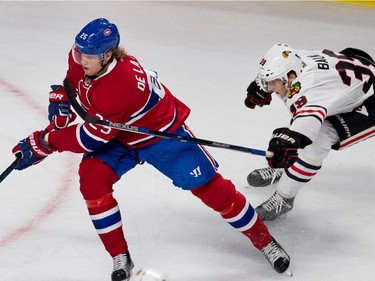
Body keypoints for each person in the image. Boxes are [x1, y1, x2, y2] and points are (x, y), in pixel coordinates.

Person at [11, 19, 291, 280]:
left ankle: (265, 241)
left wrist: (46, 142)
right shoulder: (82, 58)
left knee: (211, 188)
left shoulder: (121, 85)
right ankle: (120, 255)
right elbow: (76, 84)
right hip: (120, 135)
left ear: (108, 55)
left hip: (161, 135)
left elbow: (90, 138)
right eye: (79, 51)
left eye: (89, 55)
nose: (80, 58)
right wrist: (63, 96)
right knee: (92, 180)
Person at [244, 43, 375, 221]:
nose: (269, 87)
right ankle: (291, 167)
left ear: (290, 77)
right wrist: (262, 86)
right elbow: (280, 63)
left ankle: (284, 197)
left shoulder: (309, 91)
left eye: (272, 82)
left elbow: (306, 130)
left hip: (368, 103)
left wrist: (288, 143)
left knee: (318, 141)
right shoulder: (295, 60)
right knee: (298, 129)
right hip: (353, 73)